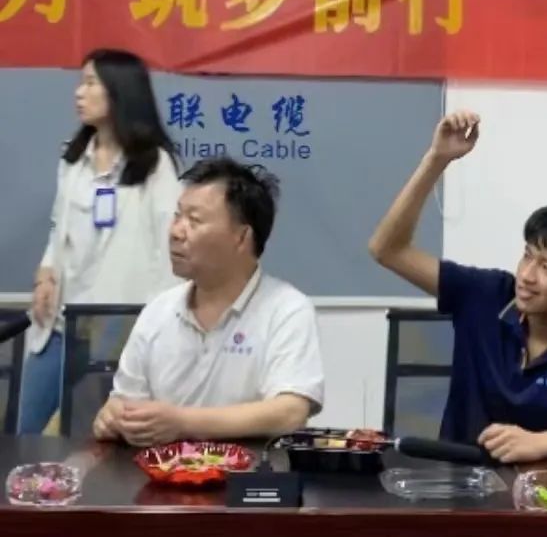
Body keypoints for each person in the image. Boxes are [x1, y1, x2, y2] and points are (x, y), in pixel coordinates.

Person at [369, 110, 547, 463]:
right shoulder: (485, 294)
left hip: (544, 485)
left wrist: (542, 442)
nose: (527, 275)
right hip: (456, 477)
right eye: (527, 256)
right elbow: (387, 250)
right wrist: (437, 160)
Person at [92, 158, 324, 446]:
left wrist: (182, 423)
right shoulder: (158, 311)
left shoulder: (286, 309)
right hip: (161, 470)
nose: (175, 232)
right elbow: (125, 401)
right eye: (177, 216)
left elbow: (289, 413)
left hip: (250, 471)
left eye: (194, 220)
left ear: (241, 237)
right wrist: (113, 415)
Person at [19, 49, 181, 434]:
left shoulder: (154, 165)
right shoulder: (73, 158)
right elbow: (58, 227)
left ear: (119, 91)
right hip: (60, 322)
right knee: (21, 430)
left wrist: (164, 328)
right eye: (82, 82)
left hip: (116, 330)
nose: (79, 93)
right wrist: (45, 272)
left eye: (91, 83)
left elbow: (171, 249)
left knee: (95, 440)